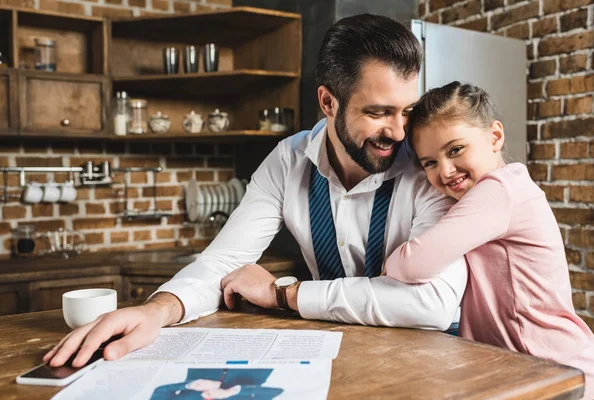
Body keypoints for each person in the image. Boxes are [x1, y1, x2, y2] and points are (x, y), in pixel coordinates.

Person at [44, 14, 467, 370]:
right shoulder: (288, 161)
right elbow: (225, 260)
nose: (397, 131)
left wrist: (284, 295)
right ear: (328, 102)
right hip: (334, 359)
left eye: (407, 111)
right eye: (377, 112)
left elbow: (433, 304)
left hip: (433, 362)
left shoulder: (430, 169)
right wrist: (157, 310)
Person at [383, 81, 594, 400]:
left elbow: (414, 262)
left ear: (495, 136)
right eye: (429, 162)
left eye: (455, 149)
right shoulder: (484, 195)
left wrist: (389, 262)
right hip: (527, 370)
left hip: (562, 375)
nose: (444, 170)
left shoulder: (499, 191)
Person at [150, 368, 283, 400]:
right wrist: (230, 392)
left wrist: (191, 385)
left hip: (204, 367)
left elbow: (160, 392)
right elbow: (274, 392)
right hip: (250, 370)